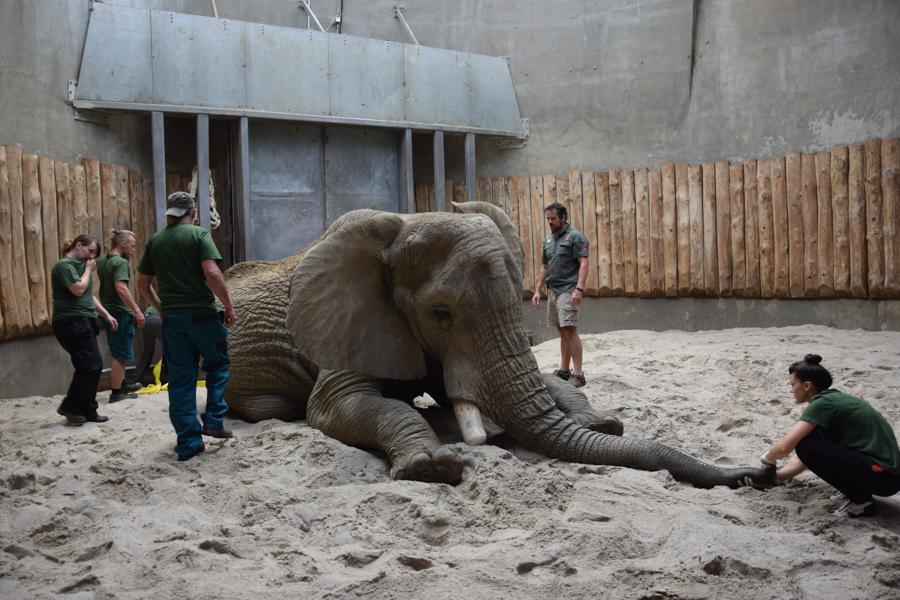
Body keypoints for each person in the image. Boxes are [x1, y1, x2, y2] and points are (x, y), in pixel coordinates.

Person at [137, 192, 237, 462]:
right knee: (218, 365)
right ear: (192, 213)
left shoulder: (155, 240)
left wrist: (161, 308)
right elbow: (212, 272)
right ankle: (213, 420)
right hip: (203, 315)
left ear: (170, 214)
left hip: (173, 321)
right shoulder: (199, 234)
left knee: (180, 381)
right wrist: (228, 306)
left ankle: (188, 443)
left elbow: (142, 284)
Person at [754, 354, 900, 518]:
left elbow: (785, 448)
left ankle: (862, 502)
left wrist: (767, 458)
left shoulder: (822, 404)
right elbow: (806, 459)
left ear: (807, 386)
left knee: (805, 446)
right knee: (808, 444)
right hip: (887, 476)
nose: (791, 390)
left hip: (882, 477)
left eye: (792, 384)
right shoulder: (834, 399)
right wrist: (775, 478)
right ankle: (854, 490)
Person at [50, 234, 118, 424]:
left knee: (89, 367)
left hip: (84, 319)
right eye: (90, 251)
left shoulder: (80, 265)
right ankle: (70, 407)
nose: (91, 257)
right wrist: (88, 270)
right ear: (78, 245)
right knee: (91, 365)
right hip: (70, 320)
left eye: (94, 254)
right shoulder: (64, 265)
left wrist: (106, 314)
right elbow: (78, 289)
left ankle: (88, 410)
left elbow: (88, 295)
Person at [531, 202, 590, 388]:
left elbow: (584, 263)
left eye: (553, 218)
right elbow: (544, 267)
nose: (550, 222)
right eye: (548, 218)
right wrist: (537, 290)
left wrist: (579, 289)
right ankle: (564, 371)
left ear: (563, 217)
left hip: (568, 289)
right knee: (562, 330)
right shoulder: (548, 241)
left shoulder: (575, 237)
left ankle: (578, 375)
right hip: (553, 290)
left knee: (570, 329)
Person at [96, 229, 144, 402]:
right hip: (119, 312)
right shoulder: (121, 262)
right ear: (123, 244)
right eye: (132, 246)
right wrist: (136, 311)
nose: (133, 250)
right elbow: (121, 289)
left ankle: (122, 383)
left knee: (118, 350)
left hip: (106, 311)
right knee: (120, 354)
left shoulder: (102, 260)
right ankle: (117, 393)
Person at [126, 306, 163, 387]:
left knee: (147, 352)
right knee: (171, 349)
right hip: (156, 320)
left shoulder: (154, 304)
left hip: (146, 320)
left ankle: (135, 380)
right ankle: (173, 378)